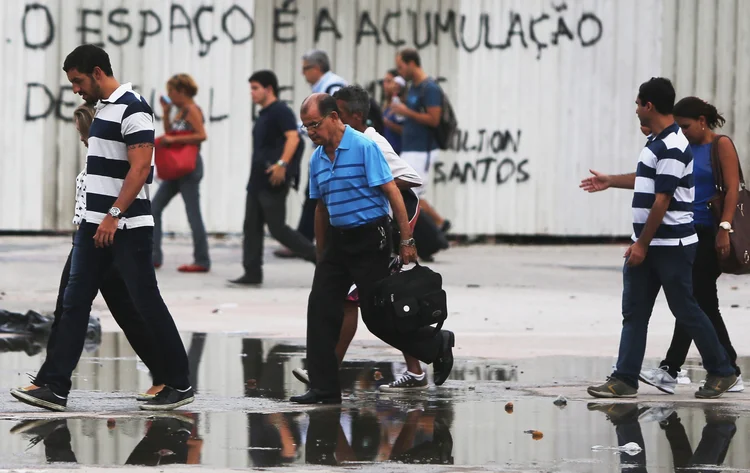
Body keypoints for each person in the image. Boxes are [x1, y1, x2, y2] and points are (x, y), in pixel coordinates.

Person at [10, 44, 194, 411]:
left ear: (97, 72)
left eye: (78, 81)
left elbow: (140, 169)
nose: (76, 89)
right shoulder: (104, 110)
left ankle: (179, 382)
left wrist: (113, 214)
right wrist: (95, 219)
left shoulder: (135, 108)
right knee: (73, 302)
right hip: (93, 228)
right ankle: (54, 386)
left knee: (146, 303)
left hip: (126, 226)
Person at [289, 94, 454, 404]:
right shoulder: (316, 158)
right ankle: (323, 388)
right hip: (338, 242)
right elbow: (321, 208)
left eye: (315, 124)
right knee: (321, 307)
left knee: (377, 315)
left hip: (370, 239)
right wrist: (321, 254)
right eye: (305, 127)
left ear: (335, 118)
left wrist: (406, 241)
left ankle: (437, 343)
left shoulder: (365, 147)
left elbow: (392, 191)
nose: (310, 131)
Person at [580, 77, 737, 400]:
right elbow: (649, 181)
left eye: (638, 104)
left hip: (669, 247)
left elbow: (662, 199)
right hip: (653, 245)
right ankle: (624, 378)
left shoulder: (672, 145)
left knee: (686, 309)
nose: (636, 110)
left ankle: (723, 370)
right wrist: (611, 180)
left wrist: (642, 245)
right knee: (635, 312)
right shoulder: (658, 141)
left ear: (648, 105)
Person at [14, 104, 166, 403]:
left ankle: (54, 383)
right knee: (120, 312)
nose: (84, 140)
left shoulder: (113, 160)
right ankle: (163, 374)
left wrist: (107, 222)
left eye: (84, 134)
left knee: (73, 308)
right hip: (92, 237)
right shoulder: (99, 165)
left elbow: (130, 184)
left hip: (100, 238)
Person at [639, 97, 743, 393]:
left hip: (712, 231)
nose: (682, 132)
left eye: (686, 126)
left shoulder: (720, 145)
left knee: (695, 301)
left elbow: (733, 188)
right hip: (687, 230)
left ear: (701, 120)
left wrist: (724, 228)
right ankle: (726, 368)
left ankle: (677, 369)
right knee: (699, 302)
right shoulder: (681, 146)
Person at [230, 70, 316, 286]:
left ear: (269, 89)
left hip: (273, 180)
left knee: (278, 228)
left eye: (255, 88)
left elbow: (294, 138)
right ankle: (252, 272)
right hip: (257, 179)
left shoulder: (280, 111)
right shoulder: (265, 113)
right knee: (251, 226)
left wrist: (282, 164)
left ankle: (320, 259)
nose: (252, 93)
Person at [274, 50, 350, 259]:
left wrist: (295, 130)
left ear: (317, 68)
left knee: (317, 195)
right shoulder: (326, 86)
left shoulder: (331, 86)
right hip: (327, 150)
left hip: (334, 150)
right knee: (315, 195)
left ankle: (304, 242)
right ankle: (304, 240)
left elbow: (330, 119)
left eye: (306, 68)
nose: (303, 73)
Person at [151, 74, 211, 273]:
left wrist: (174, 141)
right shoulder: (180, 111)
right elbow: (170, 132)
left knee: (193, 214)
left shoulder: (192, 110)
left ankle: (202, 260)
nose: (170, 96)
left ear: (182, 91)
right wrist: (166, 112)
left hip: (189, 167)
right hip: (177, 168)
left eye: (172, 92)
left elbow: (201, 135)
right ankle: (153, 256)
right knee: (154, 208)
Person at [393, 48, 451, 234]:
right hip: (410, 147)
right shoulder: (414, 88)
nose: (399, 72)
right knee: (409, 192)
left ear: (412, 64)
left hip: (422, 149)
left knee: (411, 193)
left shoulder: (430, 88)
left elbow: (434, 119)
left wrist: (405, 111)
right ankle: (439, 225)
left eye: (401, 67)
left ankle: (429, 234)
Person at [382, 69, 407, 155]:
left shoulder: (401, 105)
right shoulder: (386, 105)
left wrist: (387, 123)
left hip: (398, 152)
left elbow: (405, 130)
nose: (385, 85)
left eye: (389, 81)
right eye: (384, 81)